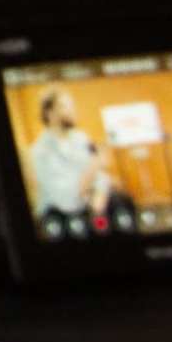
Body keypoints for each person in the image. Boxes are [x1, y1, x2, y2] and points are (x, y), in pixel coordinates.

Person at [26, 90, 105, 237]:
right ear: (49, 113)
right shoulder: (40, 151)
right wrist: (95, 165)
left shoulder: (81, 138)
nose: (72, 111)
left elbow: (101, 178)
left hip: (89, 209)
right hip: (60, 218)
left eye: (72, 106)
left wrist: (99, 195)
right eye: (64, 106)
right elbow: (68, 199)